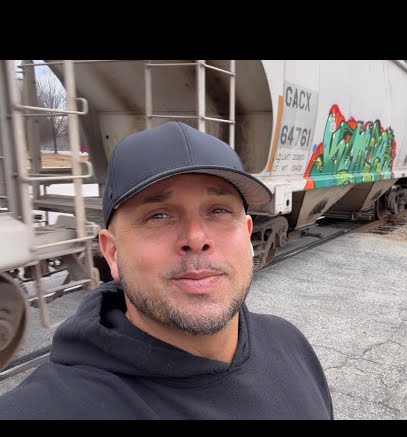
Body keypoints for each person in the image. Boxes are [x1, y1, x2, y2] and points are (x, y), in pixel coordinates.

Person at [0, 121, 334, 419]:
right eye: (158, 215)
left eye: (219, 210)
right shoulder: (45, 407)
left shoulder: (290, 345)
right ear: (112, 254)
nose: (196, 238)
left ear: (247, 234)